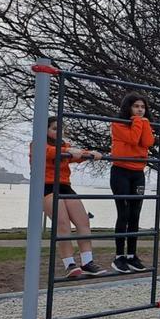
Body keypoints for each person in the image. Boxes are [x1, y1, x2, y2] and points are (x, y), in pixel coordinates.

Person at [32, 116, 107, 278]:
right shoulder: (37, 144)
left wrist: (90, 154)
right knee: (63, 224)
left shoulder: (64, 146)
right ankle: (70, 264)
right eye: (54, 129)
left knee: (83, 221)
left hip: (65, 186)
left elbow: (77, 155)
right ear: (45, 130)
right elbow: (50, 153)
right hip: (46, 186)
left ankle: (87, 262)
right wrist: (68, 152)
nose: (59, 132)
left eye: (61, 129)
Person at [109, 92, 155, 274]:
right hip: (121, 171)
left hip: (138, 172)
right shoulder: (118, 124)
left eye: (143, 107)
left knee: (135, 213)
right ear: (128, 107)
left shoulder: (144, 123)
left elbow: (148, 141)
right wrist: (139, 121)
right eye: (136, 106)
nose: (140, 110)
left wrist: (144, 123)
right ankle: (119, 256)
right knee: (124, 212)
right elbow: (133, 139)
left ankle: (131, 255)